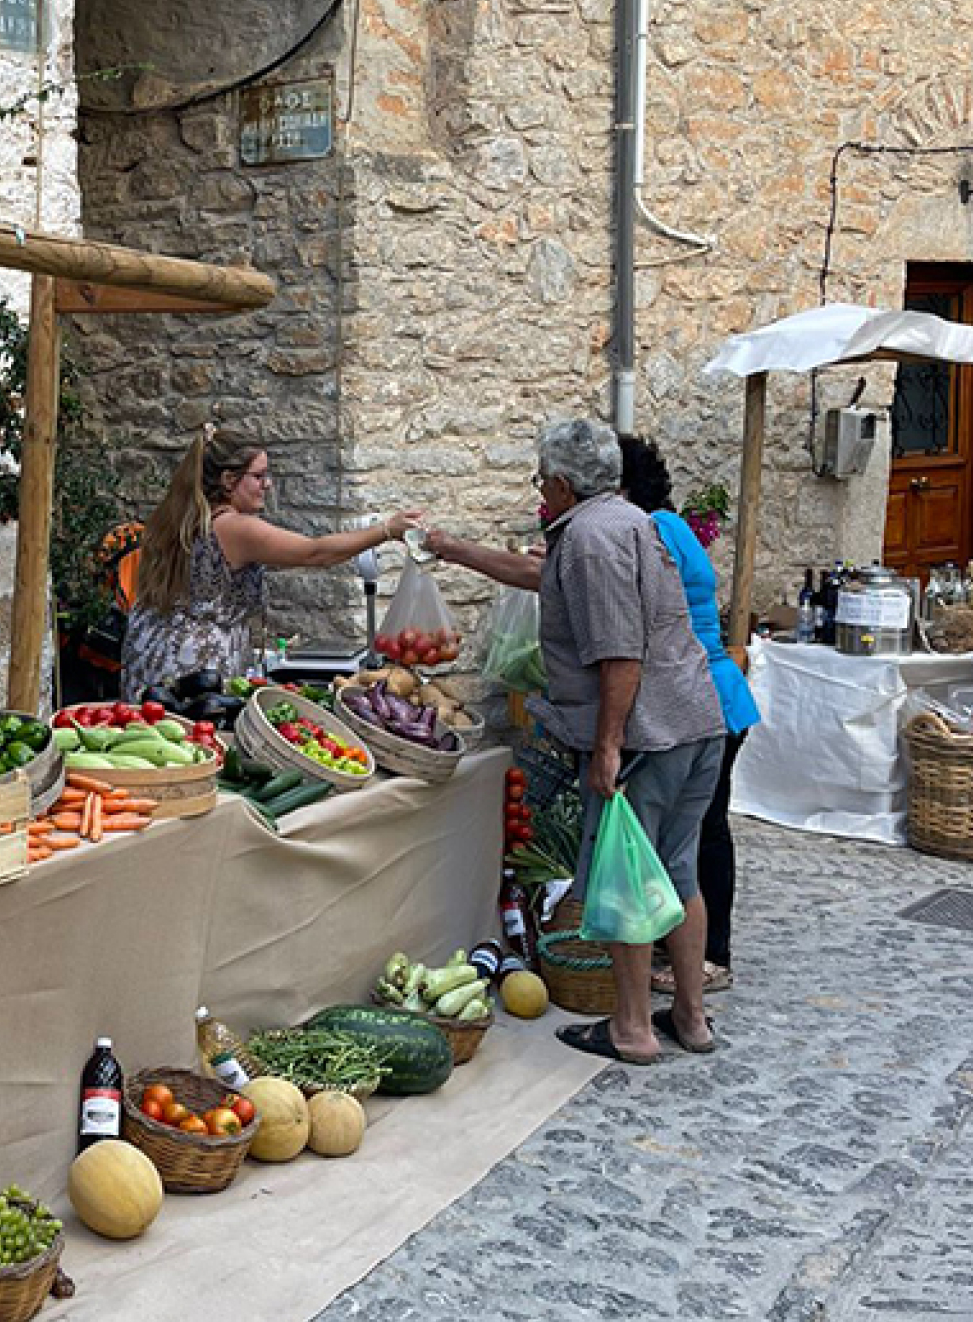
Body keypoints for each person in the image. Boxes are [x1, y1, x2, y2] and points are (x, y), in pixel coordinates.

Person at [418, 416, 725, 1064]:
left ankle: (633, 1029)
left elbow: (619, 655)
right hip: (696, 721)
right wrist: (453, 549)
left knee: (627, 881)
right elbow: (540, 578)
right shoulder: (626, 521)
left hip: (649, 737)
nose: (540, 492)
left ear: (559, 483)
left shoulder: (588, 538)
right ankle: (691, 1020)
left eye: (540, 481)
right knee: (677, 872)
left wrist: (609, 747)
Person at [617, 433, 759, 997]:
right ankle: (689, 949)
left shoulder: (653, 531)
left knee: (703, 830)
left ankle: (710, 955)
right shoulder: (668, 525)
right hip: (716, 693)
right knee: (699, 828)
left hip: (705, 697)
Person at [120, 425, 405, 700]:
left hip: (156, 650)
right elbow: (315, 553)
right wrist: (387, 530)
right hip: (194, 663)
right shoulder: (235, 528)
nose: (267, 485)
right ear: (230, 481)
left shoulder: (185, 516)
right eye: (259, 476)